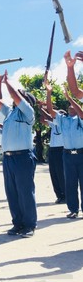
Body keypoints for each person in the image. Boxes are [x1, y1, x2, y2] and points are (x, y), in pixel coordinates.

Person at [0, 70, 37, 238]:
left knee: (25, 191)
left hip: (22, 157)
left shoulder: (28, 112)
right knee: (12, 192)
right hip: (8, 158)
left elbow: (16, 96)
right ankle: (18, 223)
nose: (16, 97)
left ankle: (29, 225)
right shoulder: (10, 113)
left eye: (20, 96)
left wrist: (7, 82)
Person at [46, 80, 83, 219]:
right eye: (68, 106)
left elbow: (81, 113)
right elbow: (50, 110)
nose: (70, 107)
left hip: (81, 153)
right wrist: (49, 93)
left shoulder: (80, 119)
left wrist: (70, 98)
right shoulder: (63, 119)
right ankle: (73, 209)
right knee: (70, 184)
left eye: (72, 106)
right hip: (67, 155)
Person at [39, 105, 66, 204]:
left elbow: (48, 116)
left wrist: (42, 109)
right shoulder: (53, 124)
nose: (56, 115)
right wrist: (42, 110)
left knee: (60, 173)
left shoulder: (63, 122)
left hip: (61, 150)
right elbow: (43, 120)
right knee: (53, 173)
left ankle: (65, 195)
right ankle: (59, 195)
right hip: (53, 150)